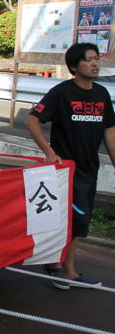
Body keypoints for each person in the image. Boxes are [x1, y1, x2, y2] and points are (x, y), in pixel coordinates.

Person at [26, 42, 115, 288]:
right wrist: (49, 152)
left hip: (90, 169)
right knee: (74, 220)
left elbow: (110, 131)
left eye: (97, 58)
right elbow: (33, 121)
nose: (95, 63)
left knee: (79, 222)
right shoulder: (61, 93)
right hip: (67, 170)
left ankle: (61, 265)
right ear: (74, 66)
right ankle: (64, 269)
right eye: (88, 60)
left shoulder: (102, 94)